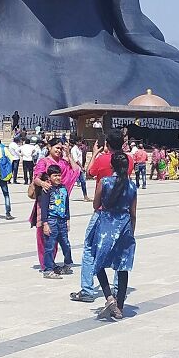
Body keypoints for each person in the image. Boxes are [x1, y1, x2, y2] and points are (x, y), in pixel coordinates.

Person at [70, 129, 133, 303]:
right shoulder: (129, 159)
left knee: (90, 247)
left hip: (102, 211)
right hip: (122, 213)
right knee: (120, 251)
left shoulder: (103, 159)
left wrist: (95, 153)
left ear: (107, 144)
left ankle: (87, 289)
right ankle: (118, 289)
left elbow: (89, 173)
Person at [86, 150, 137, 320]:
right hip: (125, 226)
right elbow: (133, 213)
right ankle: (120, 307)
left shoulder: (105, 182)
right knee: (123, 266)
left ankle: (108, 296)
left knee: (98, 261)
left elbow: (96, 205)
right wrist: (131, 232)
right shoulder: (132, 186)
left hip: (106, 225)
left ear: (111, 165)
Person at [30, 138, 79, 271]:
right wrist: (43, 183)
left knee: (56, 236)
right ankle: (46, 265)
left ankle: (51, 262)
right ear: (49, 147)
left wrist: (68, 155)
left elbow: (76, 171)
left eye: (61, 148)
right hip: (45, 202)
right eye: (57, 148)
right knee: (44, 234)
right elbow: (36, 178)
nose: (59, 150)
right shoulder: (43, 162)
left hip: (59, 204)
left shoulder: (63, 162)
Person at [39, 165, 73, 278]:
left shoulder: (63, 189)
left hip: (62, 220)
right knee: (50, 245)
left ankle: (67, 264)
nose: (58, 177)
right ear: (49, 177)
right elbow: (44, 208)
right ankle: (48, 269)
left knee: (66, 244)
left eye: (59, 175)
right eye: (55, 176)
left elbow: (67, 205)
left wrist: (68, 219)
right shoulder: (47, 189)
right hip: (51, 220)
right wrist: (45, 223)